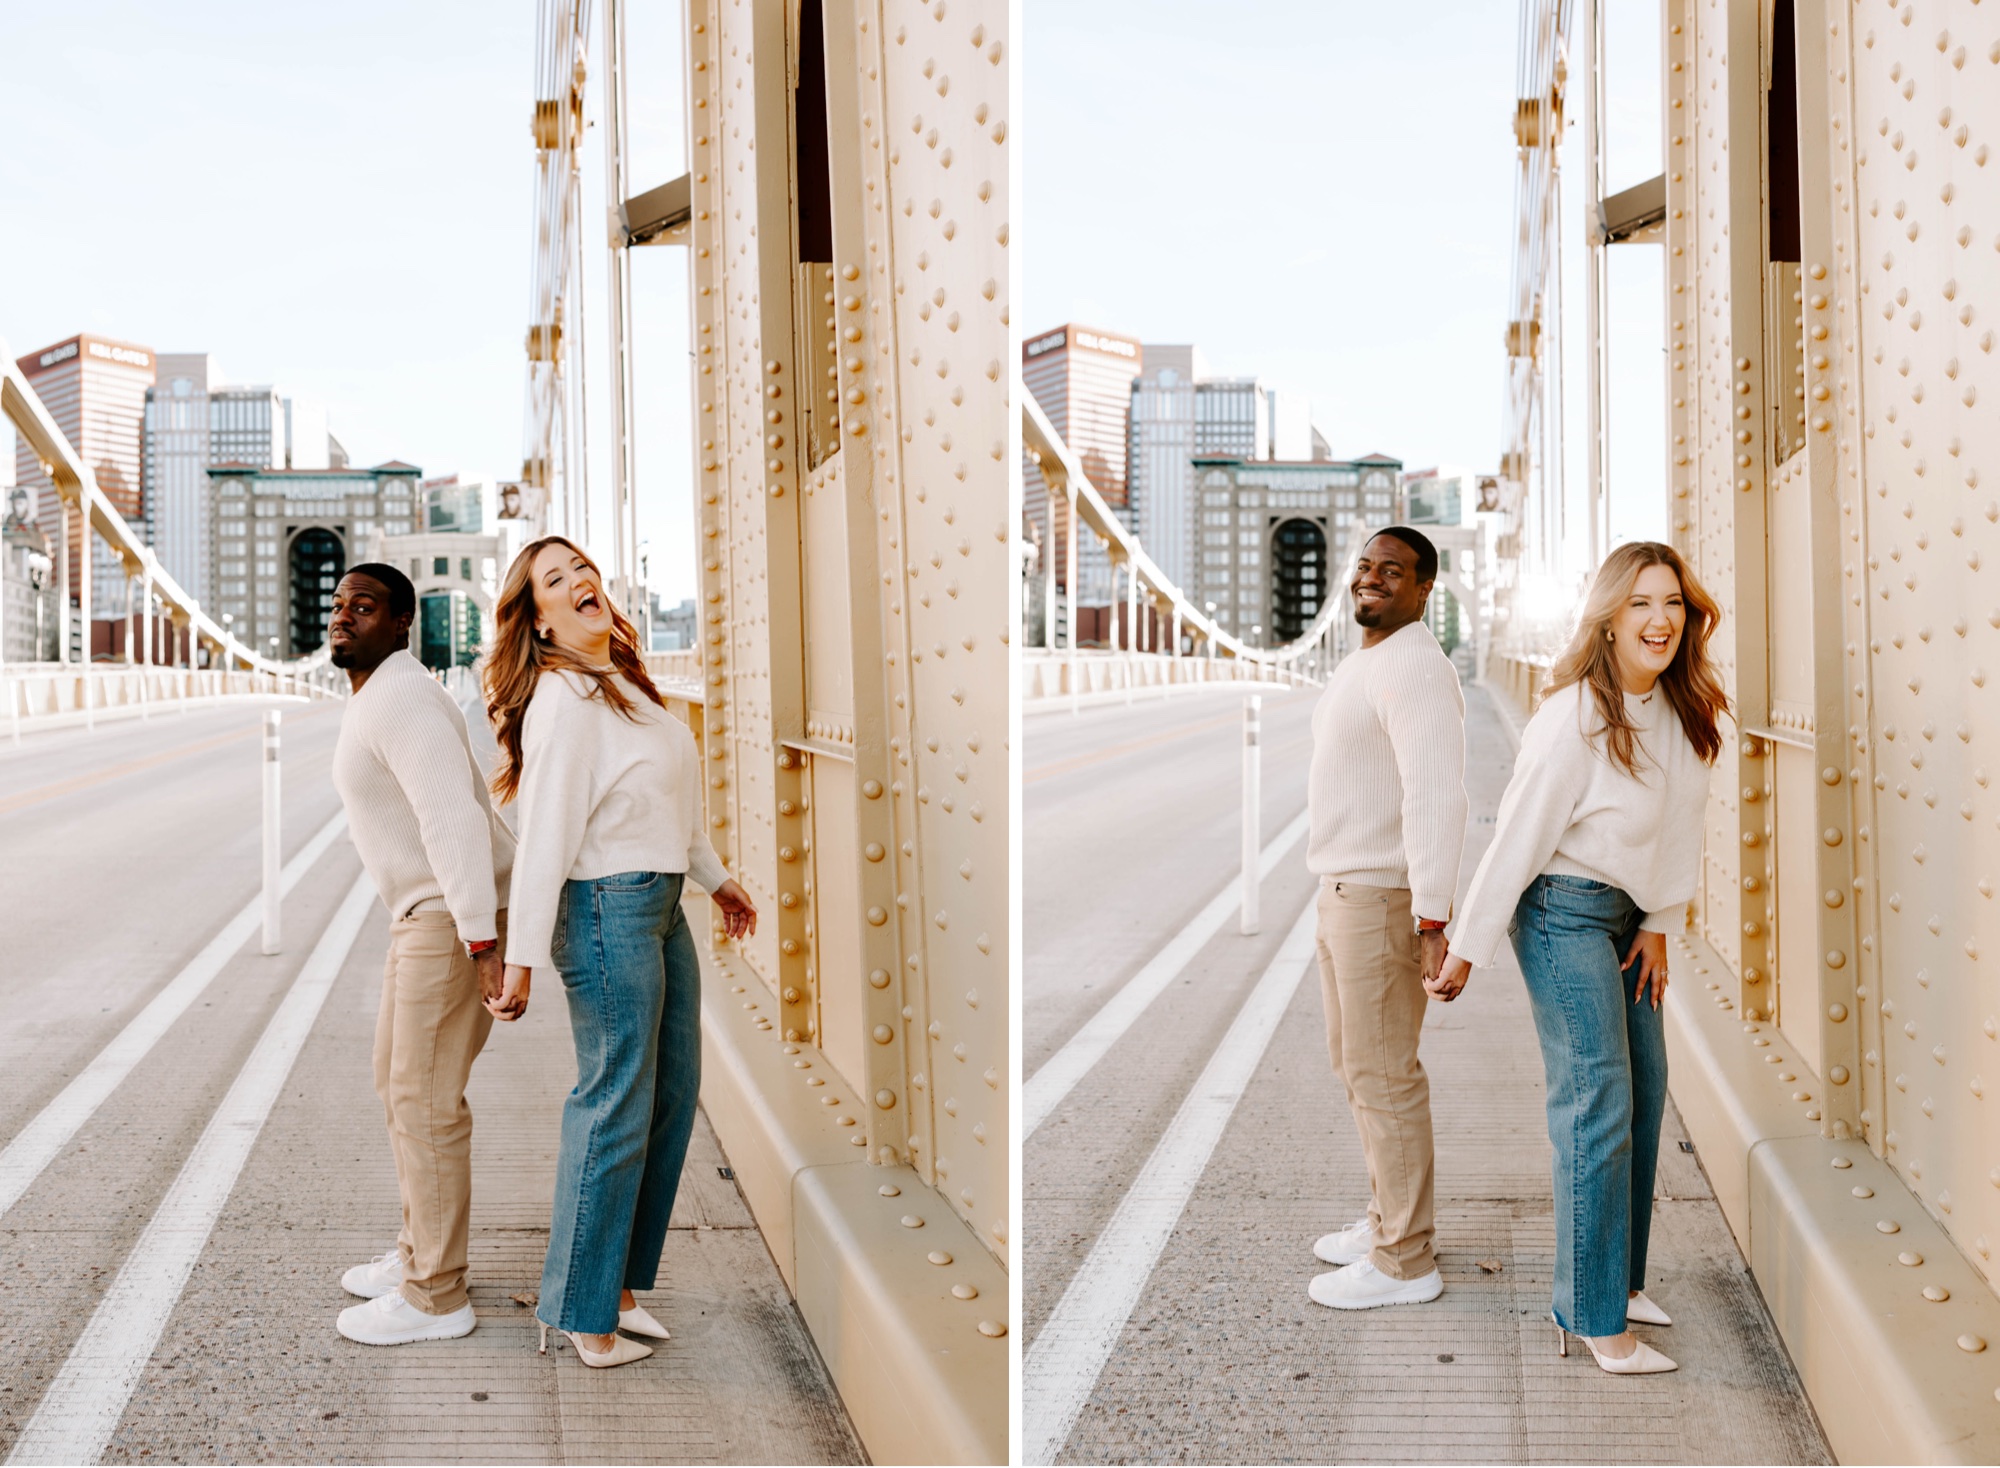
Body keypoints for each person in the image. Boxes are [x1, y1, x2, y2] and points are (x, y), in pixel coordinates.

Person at [1433, 541, 1727, 1375]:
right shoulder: (1573, 716)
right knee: (1598, 1101)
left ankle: (1622, 1283)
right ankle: (1592, 1316)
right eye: (1639, 603)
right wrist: (1468, 944)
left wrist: (1660, 919)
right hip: (1561, 912)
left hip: (1628, 918)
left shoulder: (1680, 705)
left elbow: (1681, 826)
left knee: (1647, 1088)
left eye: (1671, 602)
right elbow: (1519, 835)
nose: (1660, 619)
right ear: (1607, 615)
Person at [484, 536, 758, 1369]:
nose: (580, 583)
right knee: (613, 1102)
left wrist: (716, 881)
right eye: (556, 581)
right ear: (538, 620)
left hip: (661, 902)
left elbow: (665, 807)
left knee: (673, 1093)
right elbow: (545, 837)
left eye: (583, 570)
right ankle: (579, 1308)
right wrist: (523, 956)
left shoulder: (627, 688)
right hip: (605, 907)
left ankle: (621, 1285)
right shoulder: (564, 702)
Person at [327, 563, 516, 1345]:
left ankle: (437, 1294)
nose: (343, 616)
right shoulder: (382, 692)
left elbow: (452, 822)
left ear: (403, 620)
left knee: (427, 1102)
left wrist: (480, 941)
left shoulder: (400, 696)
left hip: (445, 919)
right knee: (400, 1088)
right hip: (425, 915)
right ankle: (416, 1253)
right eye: (338, 605)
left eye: (364, 607)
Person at [1304, 527, 1469, 1311]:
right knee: (1359, 1071)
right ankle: (1385, 1222)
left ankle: (1405, 1260)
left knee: (1385, 1078)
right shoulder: (1368, 662)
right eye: (1365, 566)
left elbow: (1437, 794)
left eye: (1392, 571)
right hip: (1343, 891)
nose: (1372, 579)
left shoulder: (1414, 669)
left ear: (1423, 588)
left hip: (1380, 901)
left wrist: (1434, 917)